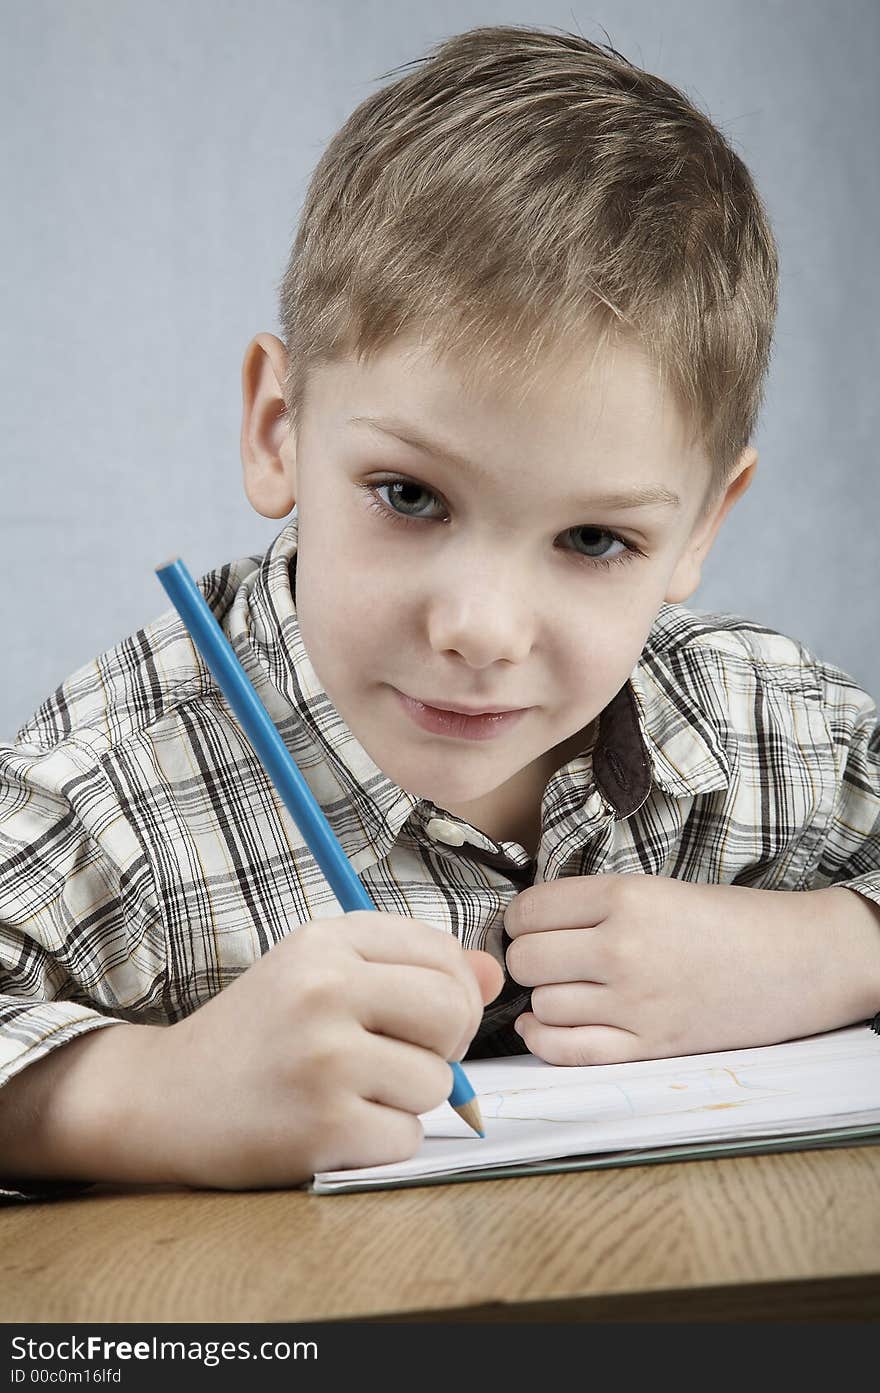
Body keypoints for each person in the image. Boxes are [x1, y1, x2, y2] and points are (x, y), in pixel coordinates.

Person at [1, 24, 878, 1199]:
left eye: (593, 539)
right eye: (410, 496)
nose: (480, 627)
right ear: (279, 429)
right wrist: (148, 1095)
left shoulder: (751, 719)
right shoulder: (122, 779)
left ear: (701, 527)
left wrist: (829, 951)